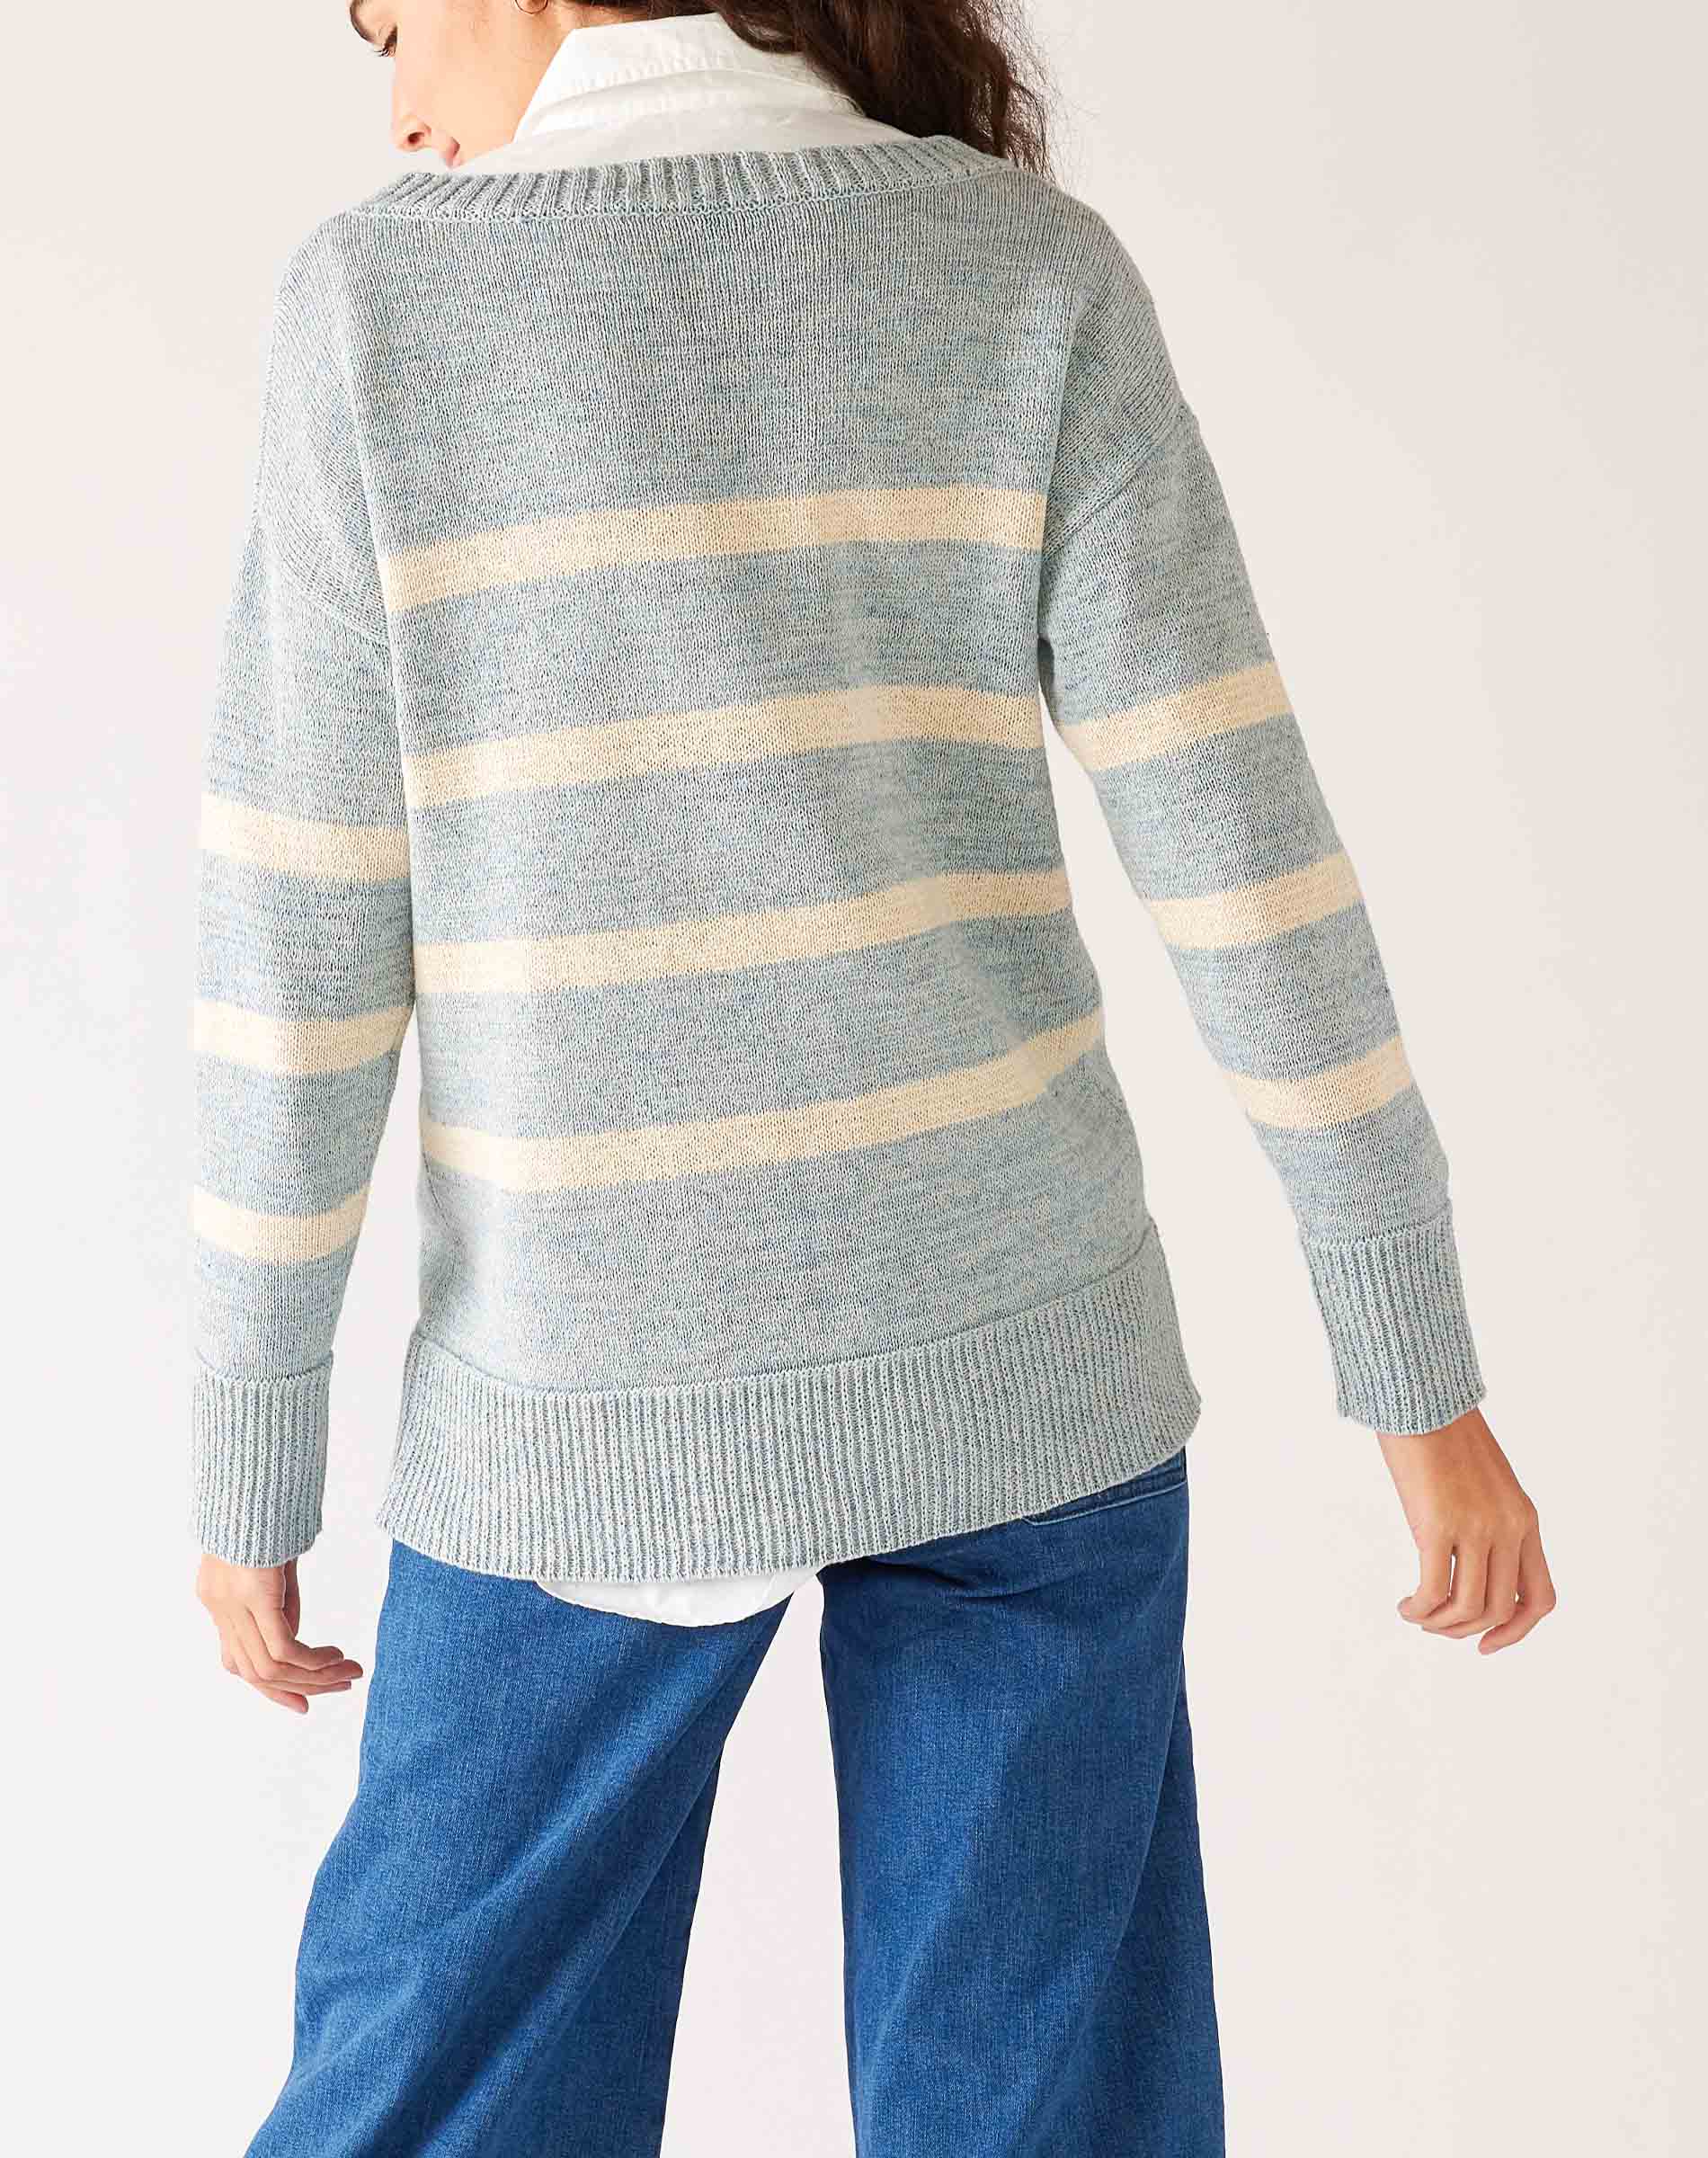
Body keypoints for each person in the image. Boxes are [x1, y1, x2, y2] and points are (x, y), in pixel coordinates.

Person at [190, 4, 1556, 2151]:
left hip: (587, 1407)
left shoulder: (377, 303)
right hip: (1024, 1369)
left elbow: (298, 939)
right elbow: (1243, 853)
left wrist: (246, 1448)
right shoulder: (1019, 268)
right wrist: (1417, 1388)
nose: (397, 105)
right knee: (1045, 2116)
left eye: (385, 23)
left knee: (429, 2099)